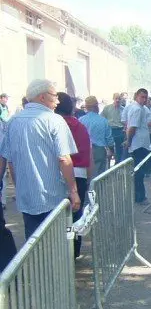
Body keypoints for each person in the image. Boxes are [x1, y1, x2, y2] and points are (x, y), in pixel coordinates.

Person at [0, 79, 80, 239]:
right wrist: (74, 191)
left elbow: (7, 160)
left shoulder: (13, 121)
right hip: (55, 197)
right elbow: (65, 159)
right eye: (54, 96)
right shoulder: (55, 120)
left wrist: (18, 187)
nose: (57, 101)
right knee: (65, 238)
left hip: (27, 198)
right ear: (42, 97)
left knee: (34, 243)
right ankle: (67, 261)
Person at [55, 92, 92, 258]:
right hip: (81, 173)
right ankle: (73, 248)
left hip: (62, 173)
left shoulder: (55, 124)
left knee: (61, 215)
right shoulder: (80, 126)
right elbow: (88, 153)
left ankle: (64, 248)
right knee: (75, 215)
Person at [125, 88, 151, 204]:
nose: (144, 100)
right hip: (138, 145)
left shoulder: (140, 108)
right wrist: (129, 140)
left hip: (140, 143)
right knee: (139, 172)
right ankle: (139, 197)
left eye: (145, 97)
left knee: (139, 171)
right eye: (142, 97)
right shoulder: (137, 109)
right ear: (136, 96)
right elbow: (132, 127)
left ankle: (139, 196)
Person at [79, 96, 113, 176]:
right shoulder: (103, 121)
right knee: (99, 176)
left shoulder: (81, 120)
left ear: (86, 107)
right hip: (99, 150)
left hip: (85, 150)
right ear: (96, 106)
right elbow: (109, 139)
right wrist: (112, 150)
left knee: (86, 174)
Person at [100, 93, 125, 163]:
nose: (117, 100)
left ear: (121, 99)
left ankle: (117, 165)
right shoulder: (107, 108)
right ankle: (108, 165)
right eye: (116, 98)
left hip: (120, 130)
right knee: (109, 149)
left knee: (119, 150)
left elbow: (126, 121)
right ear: (113, 99)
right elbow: (102, 118)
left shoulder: (124, 109)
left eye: (119, 99)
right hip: (110, 130)